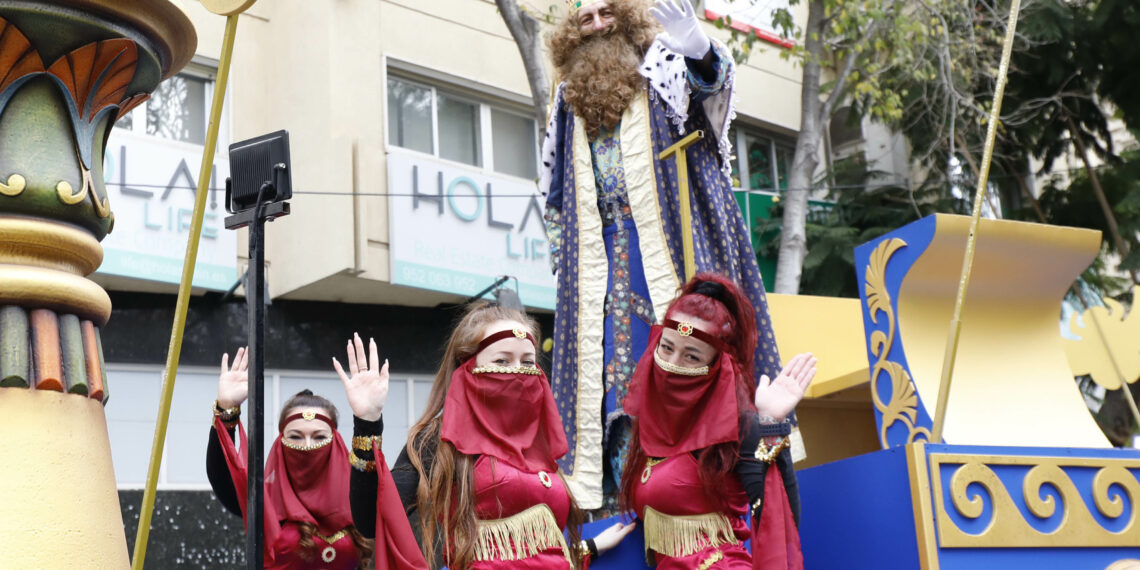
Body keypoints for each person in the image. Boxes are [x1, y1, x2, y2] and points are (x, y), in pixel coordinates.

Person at [540, 0, 785, 510]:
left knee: (684, 364)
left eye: (607, 14)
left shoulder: (661, 65)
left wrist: (696, 46)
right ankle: (624, 497)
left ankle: (705, 490)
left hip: (671, 247)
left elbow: (710, 98)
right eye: (586, 20)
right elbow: (556, 195)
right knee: (609, 380)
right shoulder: (566, 99)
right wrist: (564, 265)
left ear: (627, 18)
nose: (599, 26)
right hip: (597, 266)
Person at [344, 303, 634, 569]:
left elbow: (534, 549)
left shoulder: (539, 440)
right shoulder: (441, 438)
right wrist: (367, 422)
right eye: (502, 361)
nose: (518, 372)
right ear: (466, 365)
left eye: (527, 362)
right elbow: (372, 520)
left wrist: (590, 547)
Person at [620, 274, 815, 569]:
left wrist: (771, 425)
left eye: (692, 356)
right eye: (667, 347)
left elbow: (781, 518)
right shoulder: (649, 422)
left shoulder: (740, 426)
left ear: (715, 365)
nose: (673, 363)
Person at [207, 347, 373, 569]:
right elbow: (221, 476)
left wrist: (369, 419)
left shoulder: (357, 496)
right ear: (280, 443)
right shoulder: (264, 501)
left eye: (319, 437)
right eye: (295, 436)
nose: (307, 446)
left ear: (336, 442)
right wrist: (226, 409)